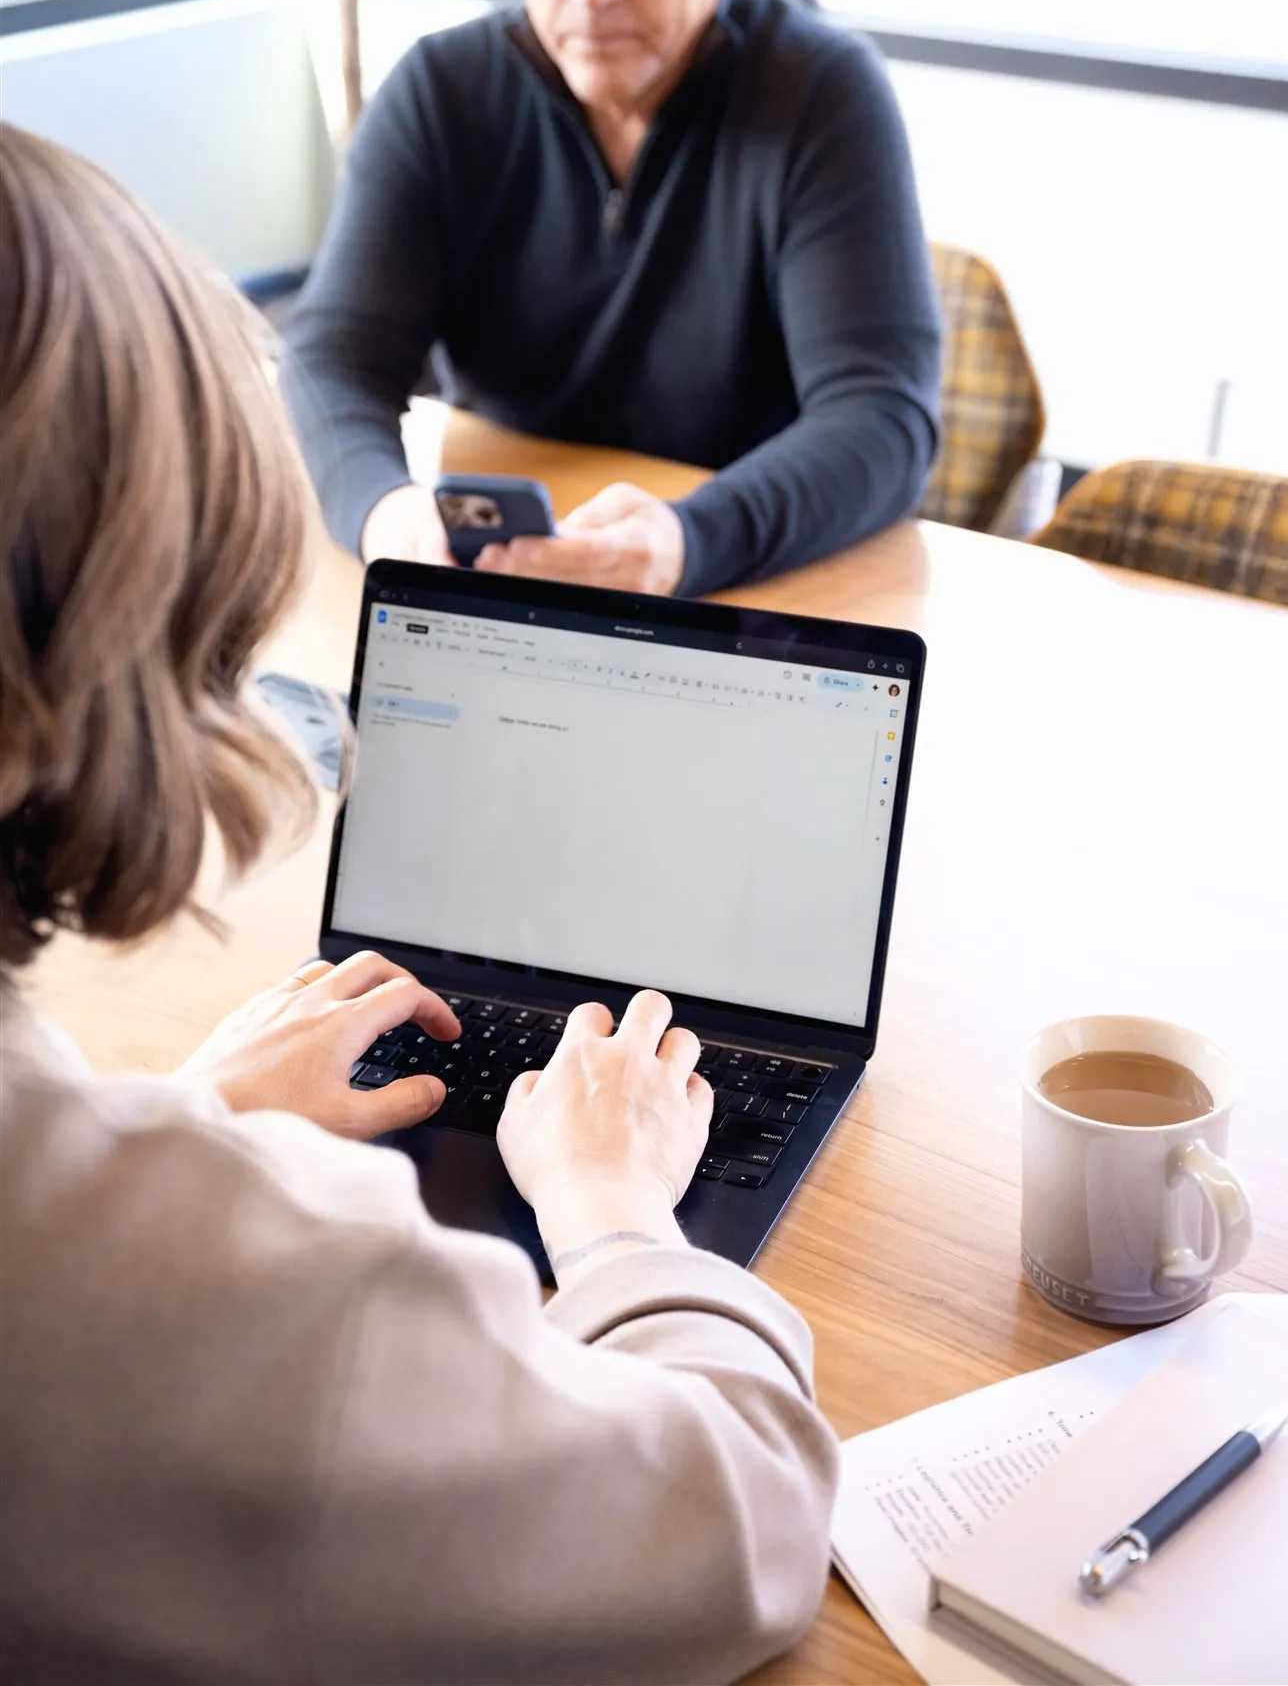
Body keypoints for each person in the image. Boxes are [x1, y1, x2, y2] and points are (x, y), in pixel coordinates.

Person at [0, 123, 836, 1683]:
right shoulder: (268, 1303)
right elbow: (751, 1528)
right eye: (203, 652)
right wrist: (611, 1212)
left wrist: (169, 1130)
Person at [280, 0, 941, 598]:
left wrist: (685, 540)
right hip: (504, 588)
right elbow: (331, 361)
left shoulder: (820, 95)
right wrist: (385, 515)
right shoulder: (442, 95)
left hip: (749, 597)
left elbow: (883, 419)